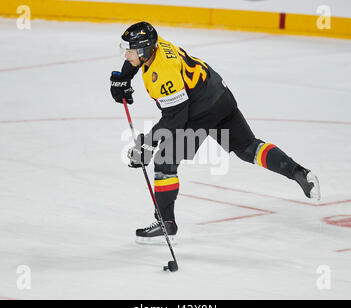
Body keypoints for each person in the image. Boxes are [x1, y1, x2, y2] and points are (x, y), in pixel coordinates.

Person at [110, 22, 321, 244]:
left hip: (199, 112)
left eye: (130, 51)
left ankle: (166, 224)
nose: (126, 55)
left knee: (165, 161)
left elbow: (176, 118)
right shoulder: (157, 44)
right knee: (247, 147)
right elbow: (140, 62)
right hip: (219, 95)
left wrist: (148, 144)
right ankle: (299, 172)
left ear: (144, 50)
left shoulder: (163, 73)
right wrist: (125, 76)